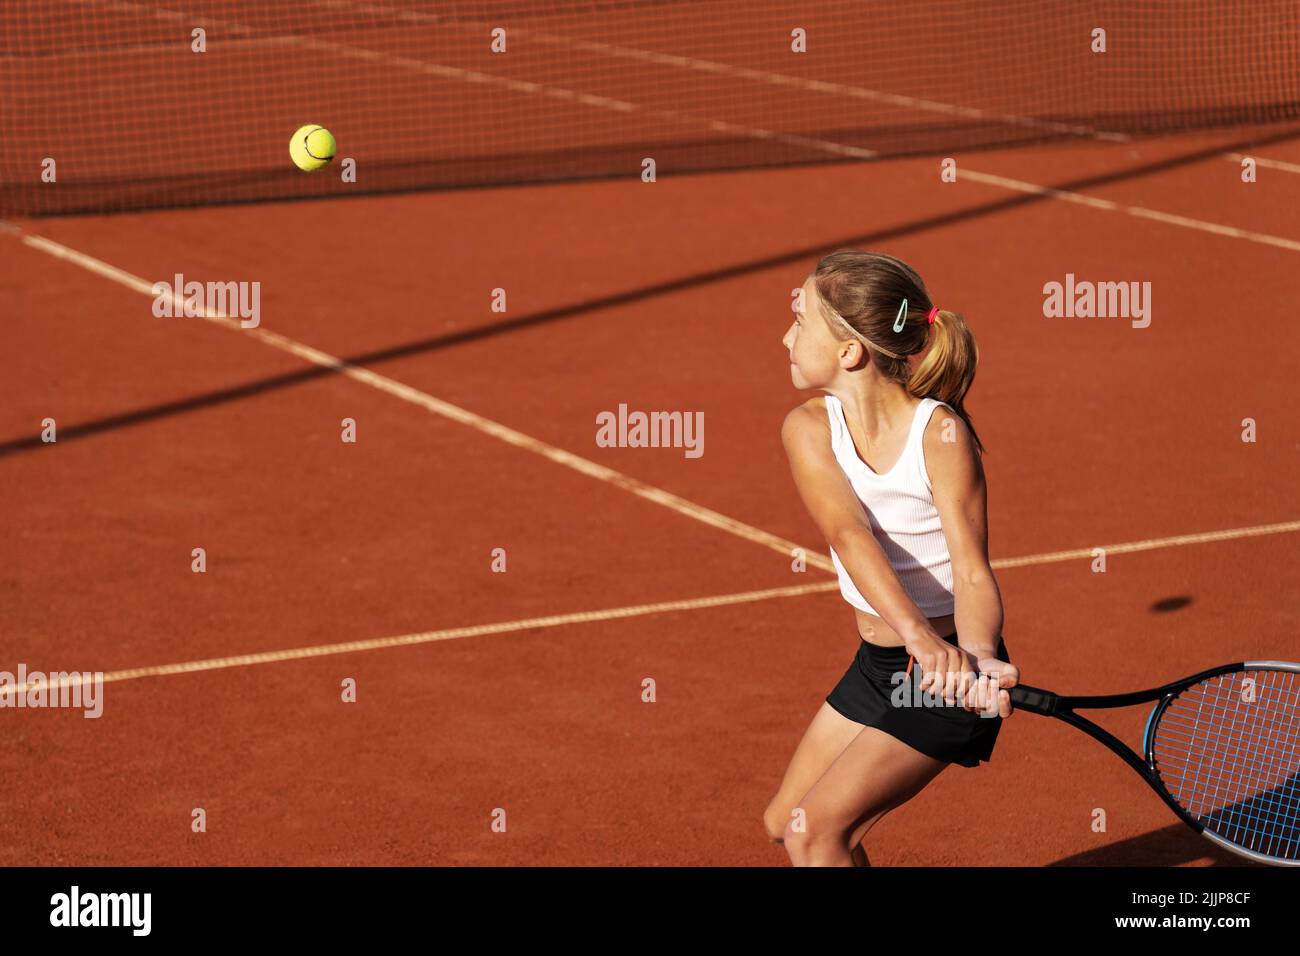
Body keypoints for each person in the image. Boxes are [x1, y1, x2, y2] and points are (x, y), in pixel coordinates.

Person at [765, 249, 1020, 867]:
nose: (785, 335)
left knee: (815, 835)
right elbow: (850, 535)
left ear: (850, 352)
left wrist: (977, 656)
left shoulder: (940, 434)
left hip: (945, 676)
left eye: (800, 322)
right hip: (887, 663)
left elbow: (970, 571)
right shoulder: (806, 428)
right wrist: (915, 641)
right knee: (786, 822)